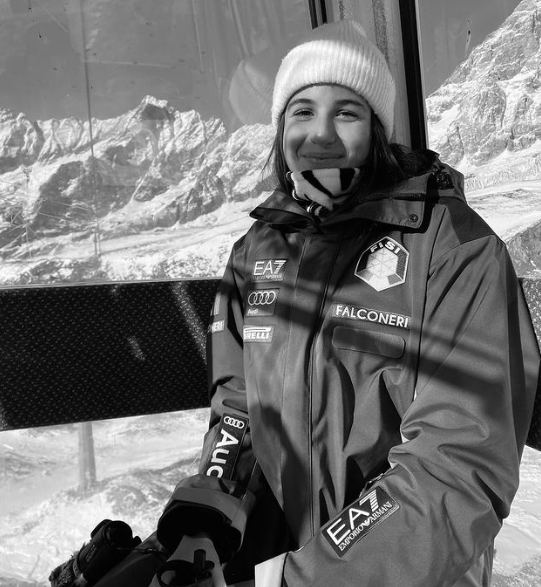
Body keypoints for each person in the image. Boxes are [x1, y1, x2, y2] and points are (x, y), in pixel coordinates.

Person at [155, 19, 540, 587]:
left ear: (378, 130)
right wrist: (206, 520)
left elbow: (458, 461)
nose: (322, 134)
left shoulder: (454, 247)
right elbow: (240, 409)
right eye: (302, 111)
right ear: (279, 130)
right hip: (275, 558)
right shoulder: (256, 251)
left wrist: (310, 577)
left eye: (347, 112)